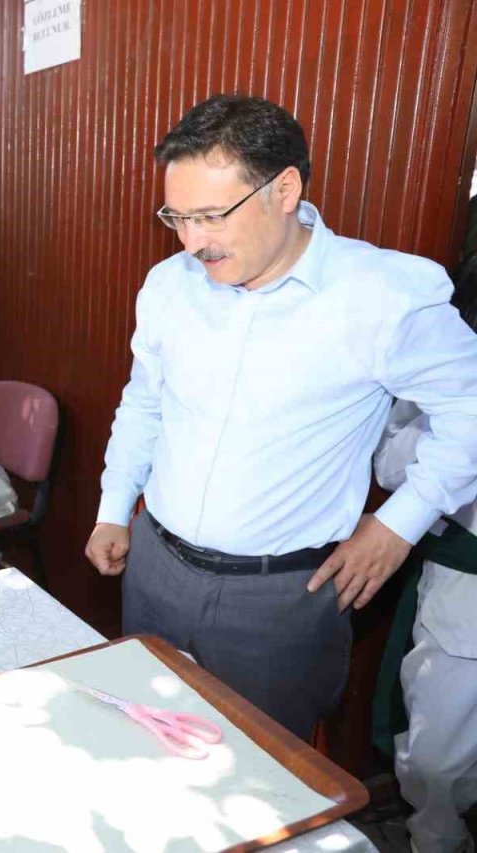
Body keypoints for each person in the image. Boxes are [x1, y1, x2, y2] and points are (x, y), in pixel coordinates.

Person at [84, 94, 477, 740]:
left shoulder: (378, 295)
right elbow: (145, 401)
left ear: (284, 188)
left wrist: (401, 522)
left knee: (265, 785)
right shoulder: (168, 285)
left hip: (279, 602)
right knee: (142, 745)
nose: (191, 242)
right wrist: (112, 504)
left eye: (210, 216)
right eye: (176, 217)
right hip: (155, 567)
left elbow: (470, 406)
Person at [375, 251, 477, 853]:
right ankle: (437, 840)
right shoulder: (445, 354)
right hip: (464, 592)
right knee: (437, 760)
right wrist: (457, 431)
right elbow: (389, 466)